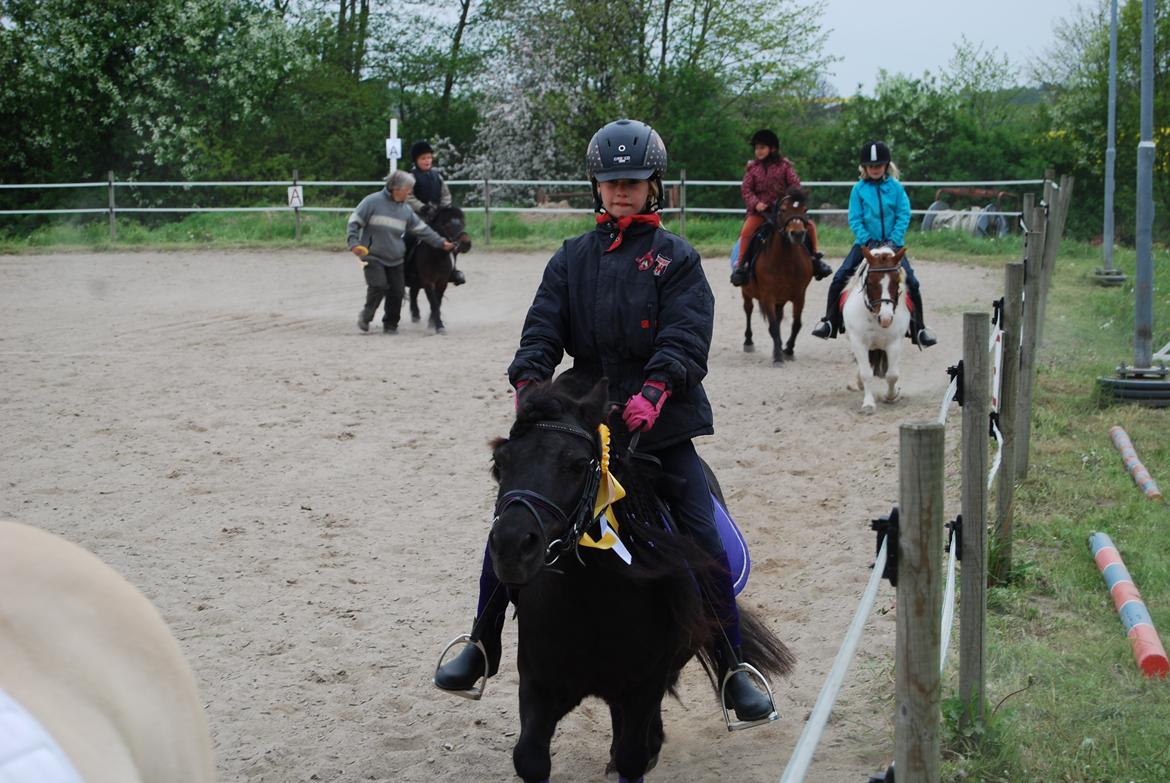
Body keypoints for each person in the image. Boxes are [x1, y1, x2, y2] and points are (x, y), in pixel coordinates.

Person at [432, 119, 777, 723]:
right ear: (597, 185)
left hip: (658, 423)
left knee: (700, 525)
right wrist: (528, 384)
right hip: (580, 416)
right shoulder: (571, 258)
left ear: (653, 187)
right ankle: (482, 641)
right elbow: (541, 331)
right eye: (611, 181)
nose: (621, 191)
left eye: (633, 181)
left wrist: (655, 390)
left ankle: (732, 664)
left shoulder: (678, 260)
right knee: (514, 514)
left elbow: (685, 341)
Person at [810, 140, 937, 347]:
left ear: (886, 166)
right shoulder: (858, 190)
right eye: (871, 166)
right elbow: (855, 218)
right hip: (865, 244)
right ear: (865, 168)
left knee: (912, 282)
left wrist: (894, 241)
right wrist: (867, 240)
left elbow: (903, 214)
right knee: (840, 277)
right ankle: (830, 321)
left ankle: (919, 328)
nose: (875, 169)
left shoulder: (896, 188)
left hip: (892, 246)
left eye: (879, 166)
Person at [347, 170, 454, 333]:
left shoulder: (405, 210)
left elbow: (422, 230)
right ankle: (366, 316)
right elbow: (354, 222)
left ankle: (390, 324)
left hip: (395, 258)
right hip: (371, 254)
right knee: (379, 285)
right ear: (396, 188)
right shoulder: (372, 202)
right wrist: (353, 242)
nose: (409, 193)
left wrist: (440, 242)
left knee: (397, 292)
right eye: (407, 189)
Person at [729, 128, 832, 287]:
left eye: (762, 147)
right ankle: (741, 266)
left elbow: (795, 185)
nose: (758, 151)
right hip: (760, 212)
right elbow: (746, 189)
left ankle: (815, 259)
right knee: (747, 231)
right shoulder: (752, 168)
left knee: (809, 226)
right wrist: (756, 203)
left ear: (773, 148)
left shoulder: (785, 166)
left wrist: (786, 200)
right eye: (756, 148)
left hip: (784, 210)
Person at [406, 140, 465, 286]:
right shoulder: (411, 177)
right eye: (423, 158)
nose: (427, 161)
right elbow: (408, 196)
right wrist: (422, 207)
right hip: (417, 217)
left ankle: (452, 271)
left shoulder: (437, 176)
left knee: (452, 237)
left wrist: (444, 207)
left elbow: (446, 194)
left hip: (437, 217)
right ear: (416, 160)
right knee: (408, 238)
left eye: (429, 158)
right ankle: (404, 270)